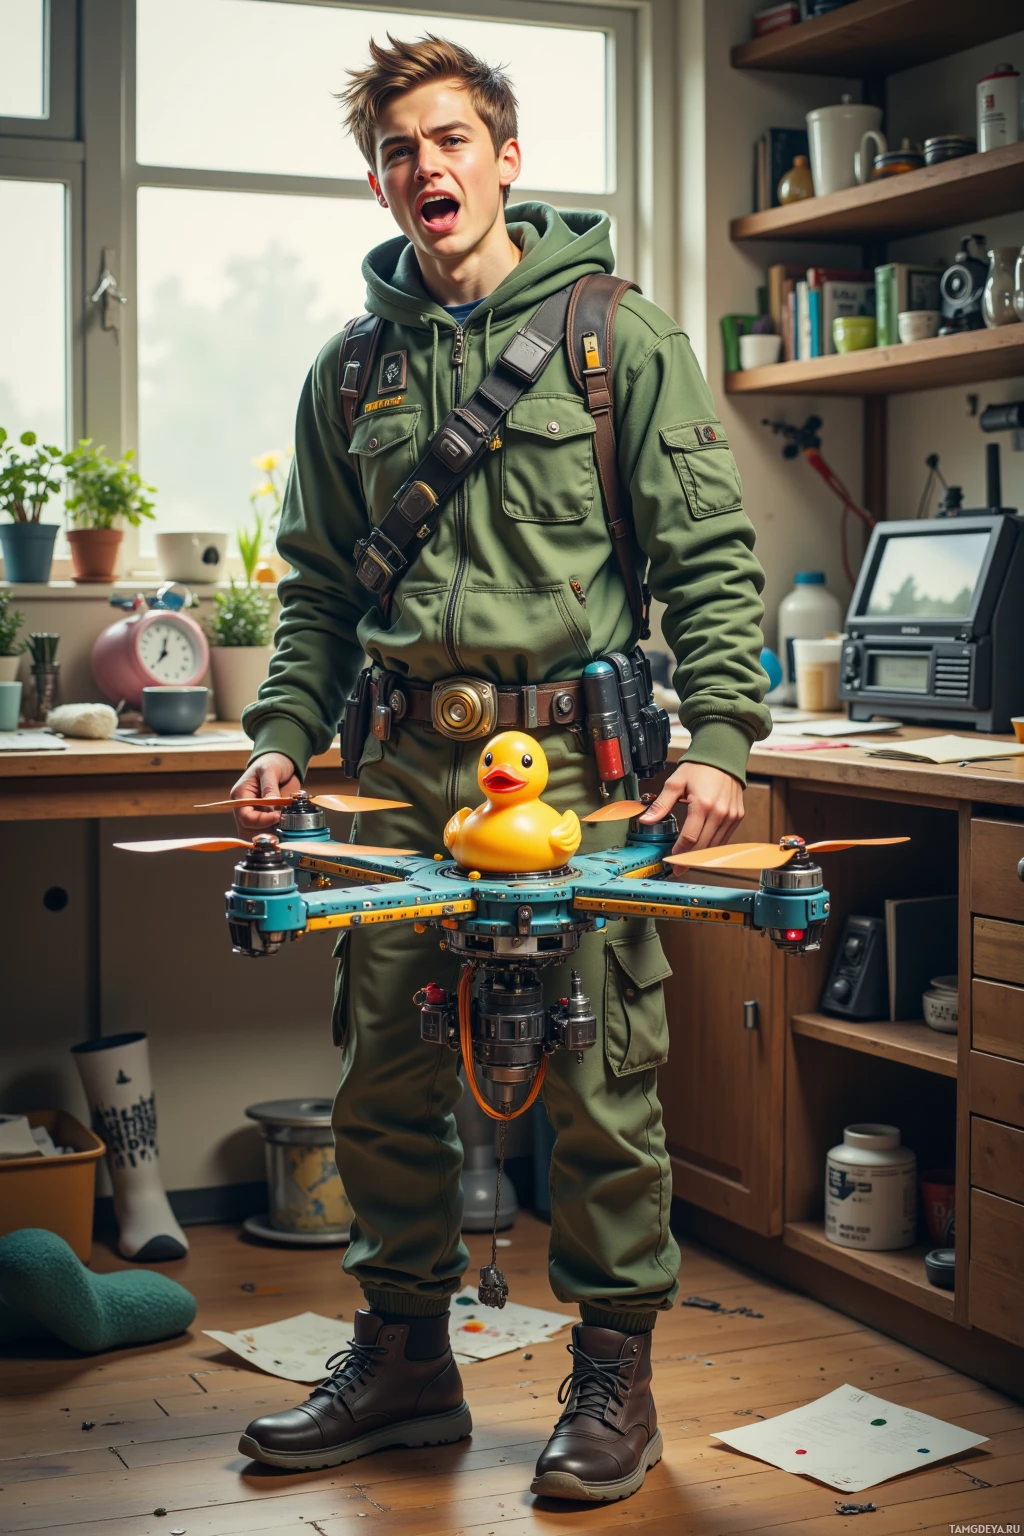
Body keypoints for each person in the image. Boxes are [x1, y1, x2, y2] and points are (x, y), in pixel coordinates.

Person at [232, 33, 770, 1503]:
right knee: (386, 1072)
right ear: (380, 181)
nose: (428, 169)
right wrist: (283, 737)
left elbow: (714, 567)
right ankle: (407, 1363)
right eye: (400, 150)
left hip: (587, 772)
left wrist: (718, 741)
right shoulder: (348, 376)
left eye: (451, 139)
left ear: (506, 156)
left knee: (605, 1079)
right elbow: (318, 599)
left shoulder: (617, 339)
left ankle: (614, 1383)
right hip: (405, 772)